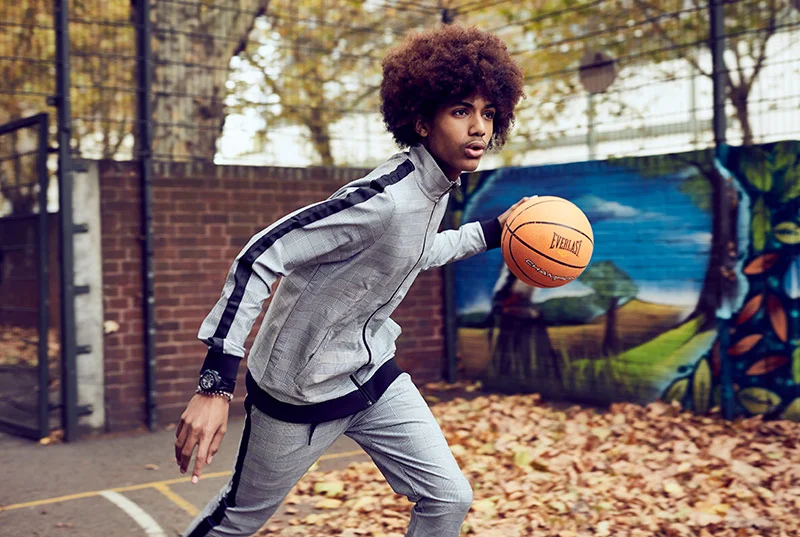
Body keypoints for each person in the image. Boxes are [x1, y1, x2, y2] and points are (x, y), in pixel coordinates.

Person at [175, 23, 527, 537]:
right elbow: (262, 255)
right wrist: (215, 384)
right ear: (421, 121)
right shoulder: (385, 198)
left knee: (449, 497)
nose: (479, 128)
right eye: (460, 111)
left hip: (371, 374)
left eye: (488, 113)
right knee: (239, 519)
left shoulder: (436, 188)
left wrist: (491, 232)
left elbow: (415, 252)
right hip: (297, 394)